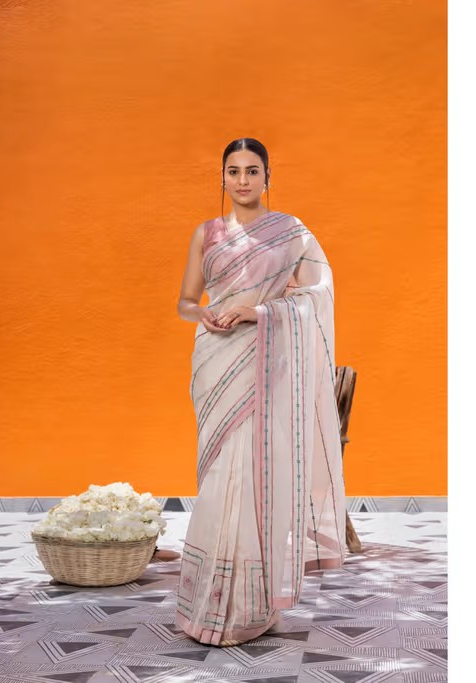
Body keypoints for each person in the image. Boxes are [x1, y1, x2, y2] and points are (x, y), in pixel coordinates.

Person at [174, 137, 347, 647]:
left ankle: (251, 607)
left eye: (253, 170)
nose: (243, 180)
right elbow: (185, 301)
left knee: (254, 475)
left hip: (265, 359)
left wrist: (260, 311)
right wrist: (203, 312)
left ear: (268, 177)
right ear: (222, 178)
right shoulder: (206, 233)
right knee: (218, 477)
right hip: (215, 360)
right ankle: (208, 605)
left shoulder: (291, 232)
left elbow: (318, 294)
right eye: (234, 171)